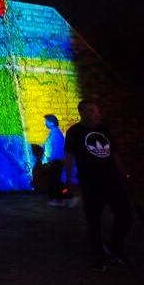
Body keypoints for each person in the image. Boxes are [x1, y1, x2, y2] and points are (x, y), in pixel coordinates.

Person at [64, 99, 134, 271]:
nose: (97, 114)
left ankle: (114, 247)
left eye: (97, 110)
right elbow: (69, 156)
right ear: (82, 113)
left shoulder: (104, 129)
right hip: (91, 184)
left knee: (126, 214)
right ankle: (98, 255)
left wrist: (123, 173)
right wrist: (69, 180)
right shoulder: (74, 132)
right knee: (94, 221)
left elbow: (113, 152)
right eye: (91, 111)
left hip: (112, 181)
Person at [41, 114, 66, 206]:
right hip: (55, 160)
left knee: (55, 180)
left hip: (56, 161)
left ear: (51, 122)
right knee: (55, 180)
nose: (45, 123)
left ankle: (57, 199)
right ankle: (57, 199)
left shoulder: (56, 133)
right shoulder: (54, 132)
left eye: (46, 121)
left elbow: (57, 148)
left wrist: (51, 161)